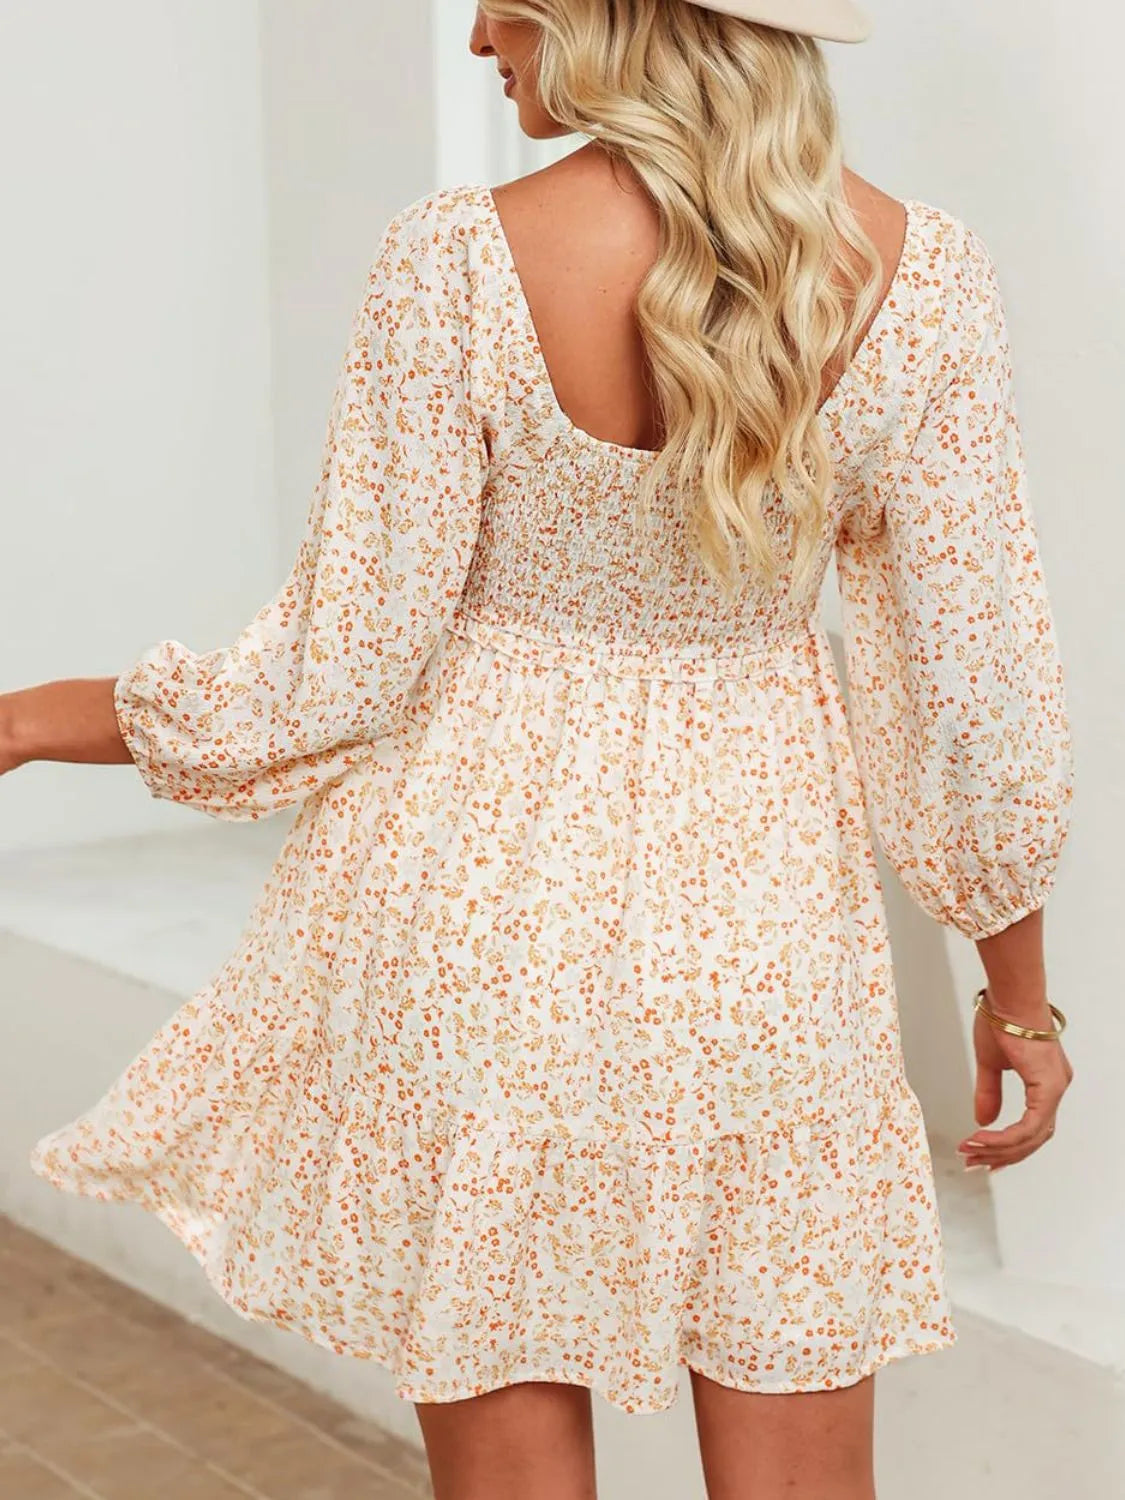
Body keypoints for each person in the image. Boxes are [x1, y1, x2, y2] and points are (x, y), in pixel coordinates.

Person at [0, 1, 1075, 1496]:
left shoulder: (456, 258)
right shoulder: (923, 276)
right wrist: (1017, 997)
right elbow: (978, 690)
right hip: (763, 933)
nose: (475, 38)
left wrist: (25, 720)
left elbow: (330, 674)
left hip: (472, 921)